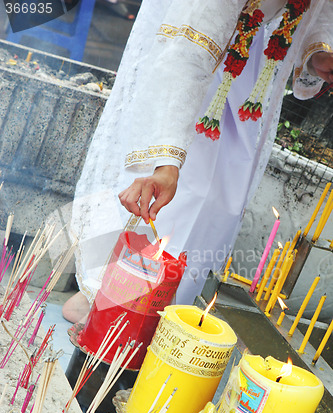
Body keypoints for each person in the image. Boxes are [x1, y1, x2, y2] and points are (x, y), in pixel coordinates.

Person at [63, 0, 333, 324]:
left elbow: (319, 12)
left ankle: (166, 311)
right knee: (178, 188)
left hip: (248, 61)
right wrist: (166, 163)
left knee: (223, 195)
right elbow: (184, 56)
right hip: (192, 52)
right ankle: (101, 301)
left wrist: (319, 50)